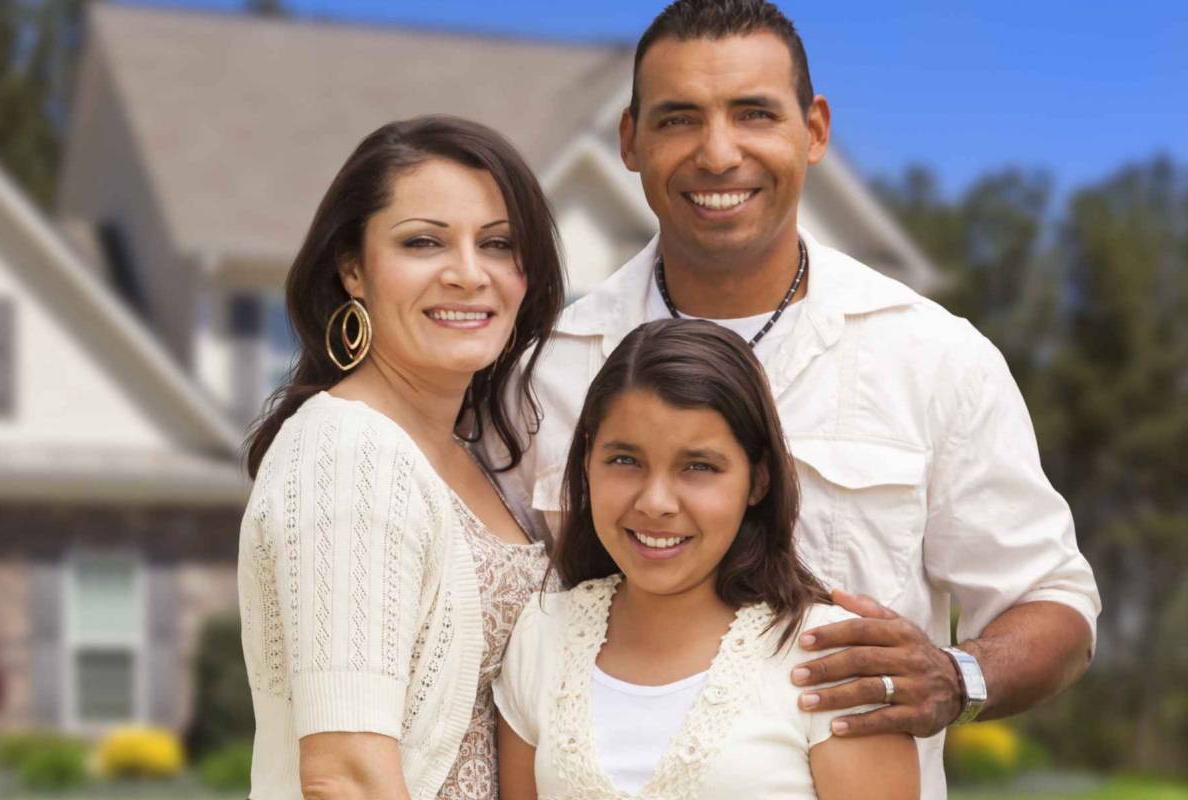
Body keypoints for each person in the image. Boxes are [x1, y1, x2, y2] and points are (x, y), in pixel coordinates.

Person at [490, 1, 1101, 796]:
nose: (718, 153)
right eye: (679, 119)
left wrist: (957, 676)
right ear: (630, 142)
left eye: (754, 114)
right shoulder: (546, 375)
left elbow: (1052, 601)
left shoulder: (933, 357)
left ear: (814, 130)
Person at [238, 115, 565, 800]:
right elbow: (345, 776)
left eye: (500, 244)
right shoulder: (347, 452)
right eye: (424, 243)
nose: (470, 275)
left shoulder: (474, 454)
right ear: (352, 268)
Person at [494, 318, 918, 799]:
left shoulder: (835, 659)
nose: (656, 502)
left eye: (698, 467)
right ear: (588, 461)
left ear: (758, 480)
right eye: (625, 460)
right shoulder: (542, 636)